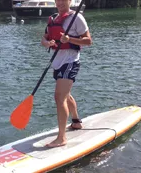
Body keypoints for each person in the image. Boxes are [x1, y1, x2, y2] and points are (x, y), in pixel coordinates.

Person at [41, 0, 92, 148]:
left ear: (69, 1)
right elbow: (44, 37)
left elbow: (88, 41)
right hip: (57, 62)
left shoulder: (77, 18)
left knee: (59, 97)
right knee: (66, 95)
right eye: (58, 0)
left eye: (63, 0)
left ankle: (61, 138)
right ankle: (76, 122)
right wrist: (46, 43)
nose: (60, 3)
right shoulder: (54, 18)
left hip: (70, 61)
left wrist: (70, 39)